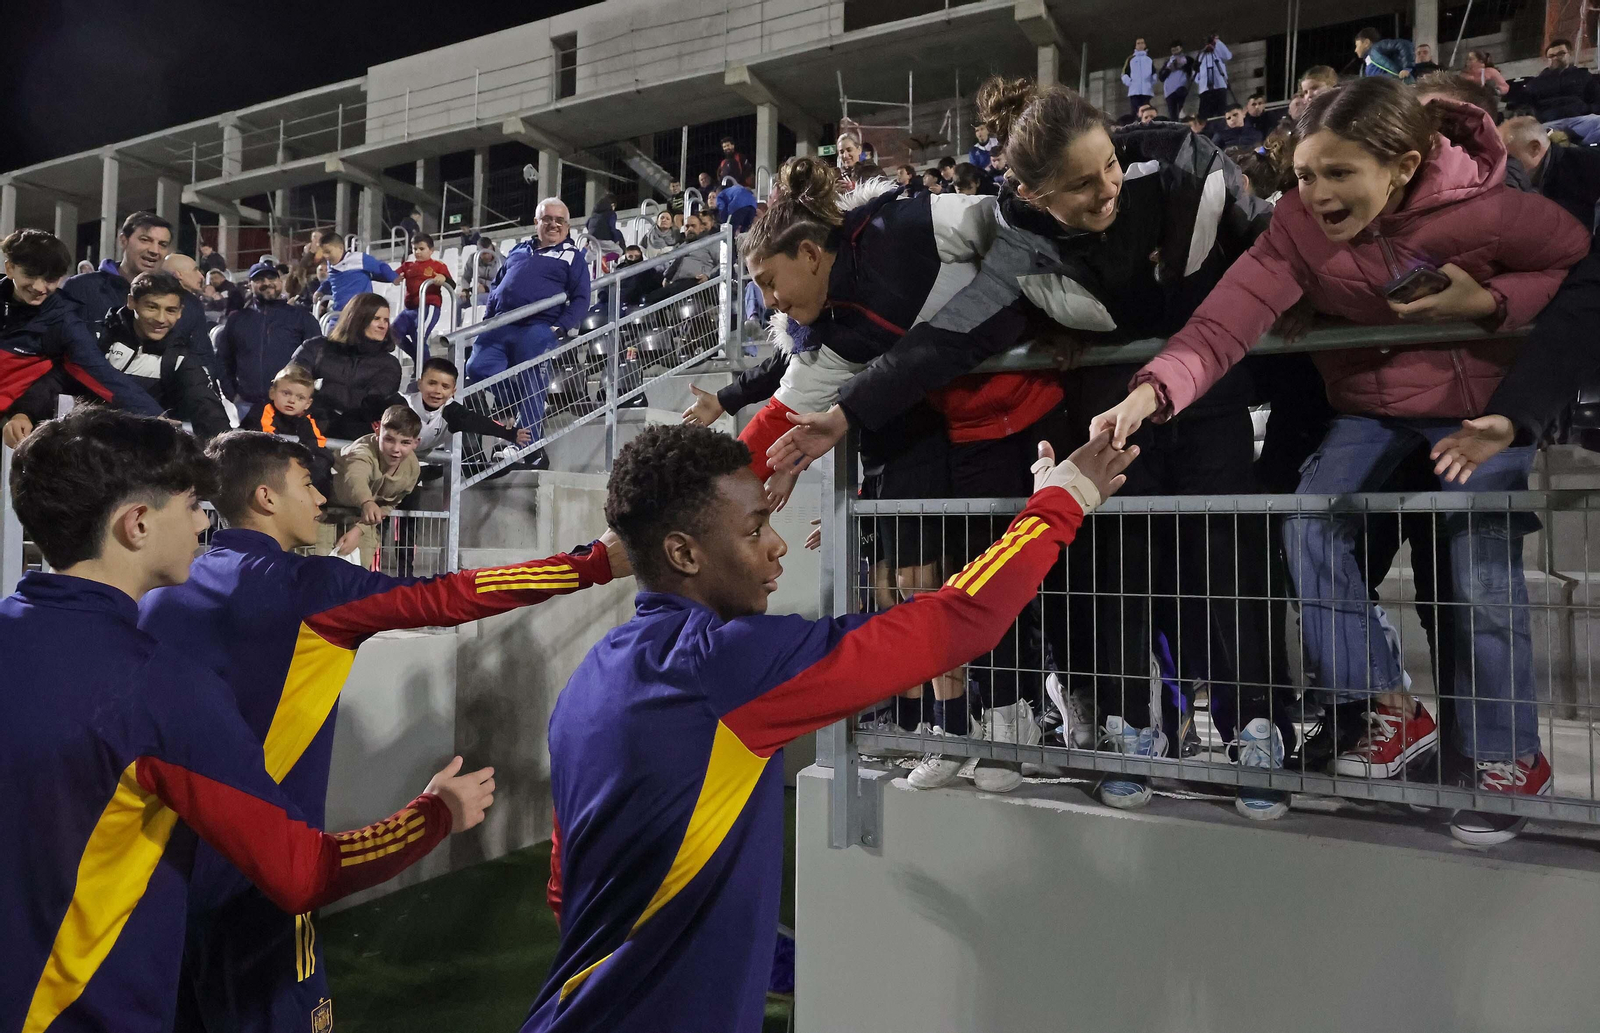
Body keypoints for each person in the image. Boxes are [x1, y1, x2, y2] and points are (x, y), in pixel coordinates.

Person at [766, 77, 1296, 816]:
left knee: (1228, 550)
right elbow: (946, 341)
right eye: (1080, 185)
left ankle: (1257, 730)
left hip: (1212, 389)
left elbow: (1281, 249)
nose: (1107, 189)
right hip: (1109, 405)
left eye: (1109, 165)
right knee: (1116, 562)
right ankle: (1126, 731)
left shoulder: (1186, 160)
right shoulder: (1018, 245)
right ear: (1031, 192)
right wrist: (845, 414)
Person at [1093, 77, 1591, 844]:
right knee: (1306, 518)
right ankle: (1391, 708)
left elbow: (1573, 272)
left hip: (1478, 411)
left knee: (1478, 566)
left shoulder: (1492, 205)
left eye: (1338, 173)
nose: (1318, 193)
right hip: (1373, 406)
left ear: (1403, 165)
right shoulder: (1297, 227)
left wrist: (1487, 305)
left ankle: (1510, 759)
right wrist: (1151, 391)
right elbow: (1222, 323)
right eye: (1304, 175)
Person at [523, 422, 1130, 1032]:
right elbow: (957, 622)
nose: (777, 545)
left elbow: (567, 892)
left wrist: (759, 960)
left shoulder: (588, 678)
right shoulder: (724, 666)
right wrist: (1063, 499)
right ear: (684, 554)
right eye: (754, 529)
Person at [3, 409, 495, 1033]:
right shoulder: (162, 690)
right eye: (191, 505)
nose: (202, 521)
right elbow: (301, 871)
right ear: (137, 524)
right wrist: (435, 813)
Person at [138, 429, 626, 1033]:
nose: (321, 498)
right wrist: (591, 564)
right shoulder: (308, 589)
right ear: (266, 497)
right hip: (261, 871)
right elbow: (450, 596)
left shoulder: (164, 589)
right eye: (306, 485)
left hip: (155, 869)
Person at [1, 229, 164, 446]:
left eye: (50, 279)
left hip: (15, 419)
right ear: (10, 268)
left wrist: (158, 419)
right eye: (30, 275)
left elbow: (100, 372)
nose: (39, 287)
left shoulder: (63, 319)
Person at [464, 197, 590, 448]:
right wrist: (489, 317)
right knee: (476, 367)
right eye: (547, 219)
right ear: (536, 222)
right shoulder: (518, 250)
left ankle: (526, 446)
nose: (554, 224)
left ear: (567, 226)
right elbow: (498, 284)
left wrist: (560, 326)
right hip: (502, 322)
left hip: (538, 325)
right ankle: (518, 403)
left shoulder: (572, 256)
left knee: (532, 375)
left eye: (560, 220)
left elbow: (581, 297)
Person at [60, 212, 219, 373]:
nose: (154, 250)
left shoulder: (188, 304)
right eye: (145, 240)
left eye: (162, 244)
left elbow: (204, 363)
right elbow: (60, 350)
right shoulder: (81, 288)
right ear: (123, 240)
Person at [96, 271, 232, 441]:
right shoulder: (98, 338)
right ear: (131, 302)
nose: (161, 319)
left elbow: (207, 410)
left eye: (170, 310)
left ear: (180, 312)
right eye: (152, 307)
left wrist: (227, 447)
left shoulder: (179, 359)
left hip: (136, 452)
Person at [216, 259, 324, 421]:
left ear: (280, 281)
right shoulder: (237, 319)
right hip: (248, 404)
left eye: (271, 278)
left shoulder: (302, 317)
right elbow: (223, 359)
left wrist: (302, 397)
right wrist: (232, 393)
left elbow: (318, 359)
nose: (267, 283)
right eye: (259, 280)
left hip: (291, 407)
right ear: (250, 285)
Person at [289, 292, 405, 439]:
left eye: (386, 320)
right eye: (376, 318)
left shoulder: (389, 365)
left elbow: (372, 406)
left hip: (355, 439)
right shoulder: (317, 348)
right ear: (357, 319)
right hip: (308, 430)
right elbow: (290, 383)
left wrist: (324, 390)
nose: (383, 325)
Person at [318, 403, 423, 559]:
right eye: (389, 439)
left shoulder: (412, 469)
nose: (396, 449)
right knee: (318, 561)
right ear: (377, 431)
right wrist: (366, 501)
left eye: (405, 442)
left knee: (363, 560)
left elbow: (390, 503)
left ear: (416, 443)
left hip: (360, 518)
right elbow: (355, 476)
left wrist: (359, 530)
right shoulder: (362, 451)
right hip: (324, 511)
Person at [241, 362, 333, 491]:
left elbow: (318, 448)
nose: (292, 400)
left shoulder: (307, 420)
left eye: (300, 398)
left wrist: (310, 471)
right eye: (286, 393)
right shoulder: (262, 412)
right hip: (255, 471)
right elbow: (267, 445)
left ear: (308, 404)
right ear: (272, 393)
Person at [391, 232, 456, 357]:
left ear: (431, 250)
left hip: (429, 307)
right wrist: (394, 278)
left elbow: (452, 284)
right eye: (415, 249)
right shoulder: (407, 266)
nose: (417, 252)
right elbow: (392, 275)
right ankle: (418, 359)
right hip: (409, 310)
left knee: (419, 335)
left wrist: (444, 279)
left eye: (421, 249)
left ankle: (424, 364)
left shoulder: (438, 266)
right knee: (393, 332)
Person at [1508, 37, 1600, 123]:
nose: (1555, 58)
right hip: (1548, 124)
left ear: (1570, 54)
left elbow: (1597, 100)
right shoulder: (1536, 83)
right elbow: (1523, 104)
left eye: (1561, 54)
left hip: (1581, 120)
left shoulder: (1583, 76)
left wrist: (1585, 109)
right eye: (1551, 56)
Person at [314, 234, 398, 314]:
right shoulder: (330, 265)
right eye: (323, 253)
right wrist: (321, 291)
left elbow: (380, 266)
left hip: (360, 312)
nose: (325, 256)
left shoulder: (358, 259)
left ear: (340, 248)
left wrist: (393, 277)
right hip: (340, 312)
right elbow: (331, 281)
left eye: (328, 252)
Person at [1194, 34, 1233, 119]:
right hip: (1205, 90)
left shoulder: (1218, 52)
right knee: (1205, 116)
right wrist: (1200, 80)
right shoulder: (1200, 56)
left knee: (1221, 113)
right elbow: (1195, 71)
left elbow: (1228, 56)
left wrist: (1217, 42)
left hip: (1219, 87)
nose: (1208, 45)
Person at [460, 235, 502, 304]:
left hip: (494, 293)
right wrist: (465, 290)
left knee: (477, 299)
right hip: (477, 291)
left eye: (489, 252)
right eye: (484, 254)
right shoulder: (473, 259)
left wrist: (486, 288)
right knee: (459, 301)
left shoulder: (501, 260)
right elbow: (466, 277)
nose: (487, 256)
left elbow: (504, 283)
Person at [1157, 41, 1191, 120]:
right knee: (1173, 115)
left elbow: (1190, 70)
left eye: (1177, 49)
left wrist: (1181, 65)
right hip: (1169, 91)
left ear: (1181, 48)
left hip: (1181, 87)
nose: (1175, 52)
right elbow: (1161, 77)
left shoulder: (1187, 59)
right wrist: (1169, 68)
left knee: (1182, 111)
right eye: (1173, 50)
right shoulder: (1168, 62)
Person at [1122, 37, 1155, 117]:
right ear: (1135, 46)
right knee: (1135, 111)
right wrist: (1130, 83)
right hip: (1134, 91)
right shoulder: (1130, 59)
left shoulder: (1149, 59)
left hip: (1146, 90)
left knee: (1146, 110)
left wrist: (1151, 82)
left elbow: (1154, 73)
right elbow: (1124, 73)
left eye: (1142, 43)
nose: (1140, 45)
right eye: (1138, 43)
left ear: (1145, 45)